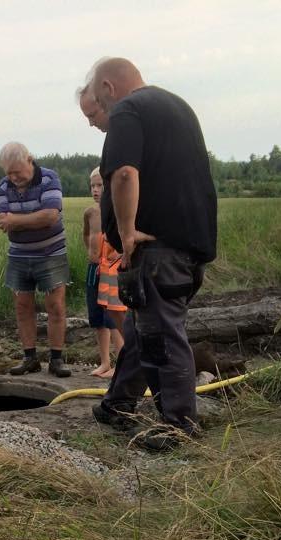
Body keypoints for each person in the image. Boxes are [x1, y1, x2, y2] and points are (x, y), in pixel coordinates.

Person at [78, 57, 217, 452]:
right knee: (140, 330)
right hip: (188, 243)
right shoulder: (175, 106)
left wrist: (124, 232)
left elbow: (124, 174)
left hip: (158, 249)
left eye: (97, 106)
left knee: (160, 335)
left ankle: (179, 426)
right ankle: (118, 405)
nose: (97, 117)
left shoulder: (129, 109)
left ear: (108, 86)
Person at [0, 142, 71, 378]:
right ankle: (30, 358)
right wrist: (29, 218)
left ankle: (56, 359)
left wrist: (16, 221)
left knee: (55, 305)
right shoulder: (3, 185)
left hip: (51, 253)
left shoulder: (49, 178)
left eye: (17, 171)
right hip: (18, 254)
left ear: (30, 160)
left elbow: (50, 216)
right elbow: (2, 219)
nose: (13, 177)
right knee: (22, 306)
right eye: (8, 172)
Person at [83, 168, 125, 377]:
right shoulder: (90, 213)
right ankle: (105, 362)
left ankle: (121, 363)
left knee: (113, 317)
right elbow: (87, 236)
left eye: (100, 185)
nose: (96, 190)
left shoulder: (118, 212)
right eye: (93, 186)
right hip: (94, 270)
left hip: (111, 271)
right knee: (98, 318)